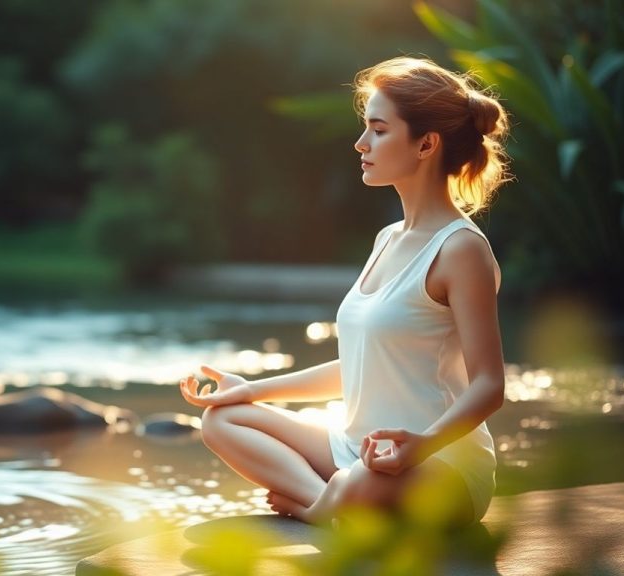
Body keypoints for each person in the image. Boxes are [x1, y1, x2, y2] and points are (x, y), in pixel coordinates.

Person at [179, 56, 511, 527]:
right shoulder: (387, 239)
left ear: (426, 144)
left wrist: (421, 446)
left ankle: (326, 505)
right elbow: (363, 362)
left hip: (439, 467)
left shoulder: (461, 250)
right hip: (357, 453)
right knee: (222, 420)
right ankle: (326, 504)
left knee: (360, 481)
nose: (361, 143)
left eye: (378, 130)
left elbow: (489, 387)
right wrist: (250, 389)